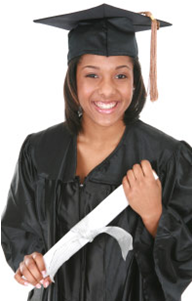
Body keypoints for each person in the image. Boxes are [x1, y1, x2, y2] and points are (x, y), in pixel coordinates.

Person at [1, 3, 192, 301]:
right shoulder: (38, 151)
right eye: (92, 75)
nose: (107, 91)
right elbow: (19, 235)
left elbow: (185, 264)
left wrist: (155, 216)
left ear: (136, 80)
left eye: (121, 76)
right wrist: (29, 262)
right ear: (73, 79)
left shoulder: (167, 156)